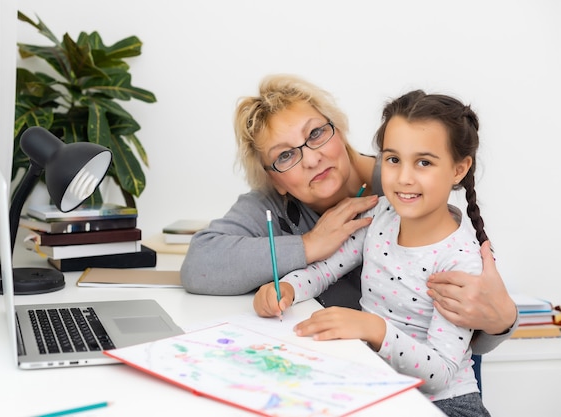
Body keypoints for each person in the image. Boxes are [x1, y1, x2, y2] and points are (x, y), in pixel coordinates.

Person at [180, 74, 517, 355]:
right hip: (350, 366)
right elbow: (199, 266)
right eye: (285, 156)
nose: (311, 159)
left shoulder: (406, 188)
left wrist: (502, 320)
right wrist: (310, 245)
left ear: (338, 130)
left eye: (315, 134)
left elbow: (464, 341)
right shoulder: (271, 204)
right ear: (273, 179)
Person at [253, 90, 493, 415]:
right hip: (376, 387)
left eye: (423, 162)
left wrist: (372, 328)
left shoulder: (460, 258)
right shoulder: (382, 215)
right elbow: (326, 270)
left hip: (443, 404)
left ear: (458, 169)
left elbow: (441, 372)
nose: (404, 178)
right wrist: (288, 288)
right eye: (393, 160)